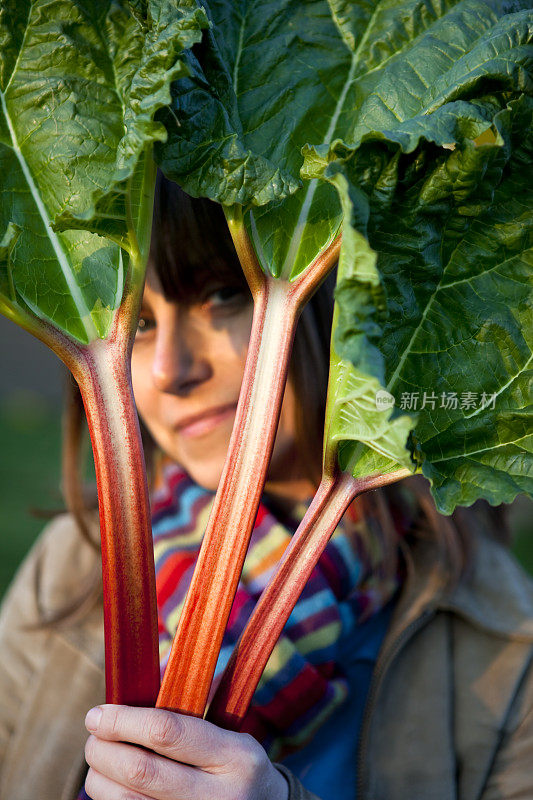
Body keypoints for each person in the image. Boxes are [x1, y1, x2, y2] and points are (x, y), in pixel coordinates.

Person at [1, 175, 532, 800]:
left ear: (344, 299)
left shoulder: (511, 652)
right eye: (140, 322)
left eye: (223, 294)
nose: (172, 369)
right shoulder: (71, 563)